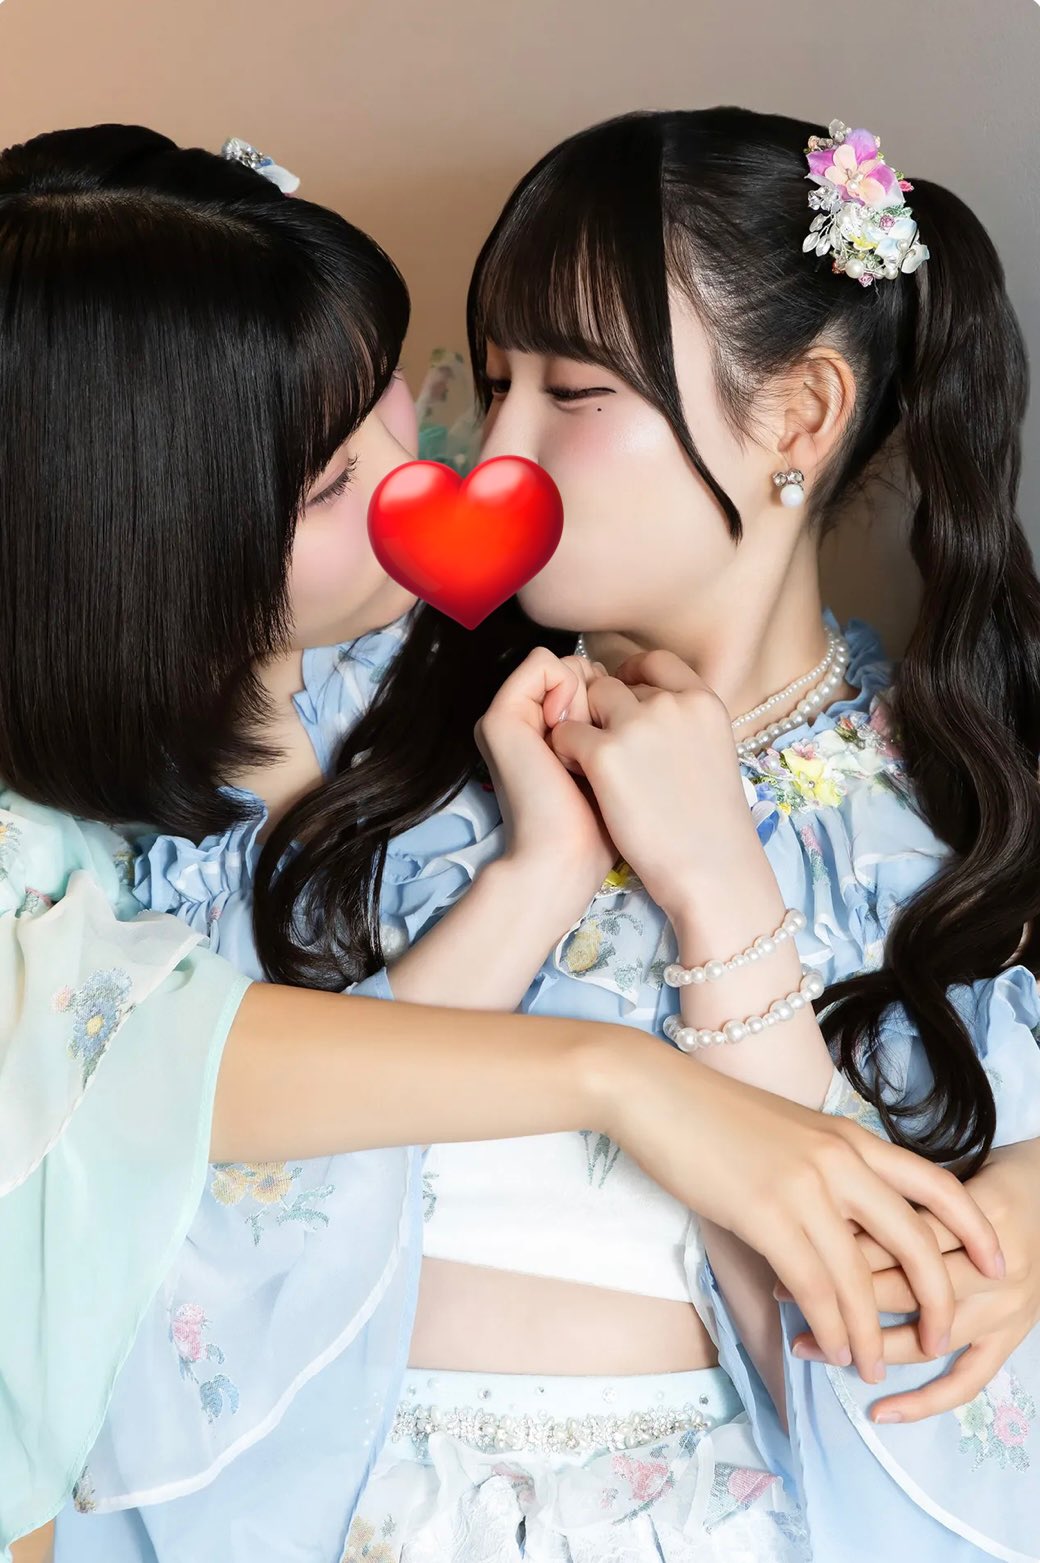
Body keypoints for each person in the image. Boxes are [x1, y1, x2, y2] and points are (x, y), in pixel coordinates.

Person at [4, 123, 961, 1563]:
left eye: (570, 393)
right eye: (494, 381)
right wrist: (548, 921)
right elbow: (160, 1112)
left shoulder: (939, 831)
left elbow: (886, 1382)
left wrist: (720, 896)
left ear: (801, 413)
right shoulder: (338, 706)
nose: (480, 454)